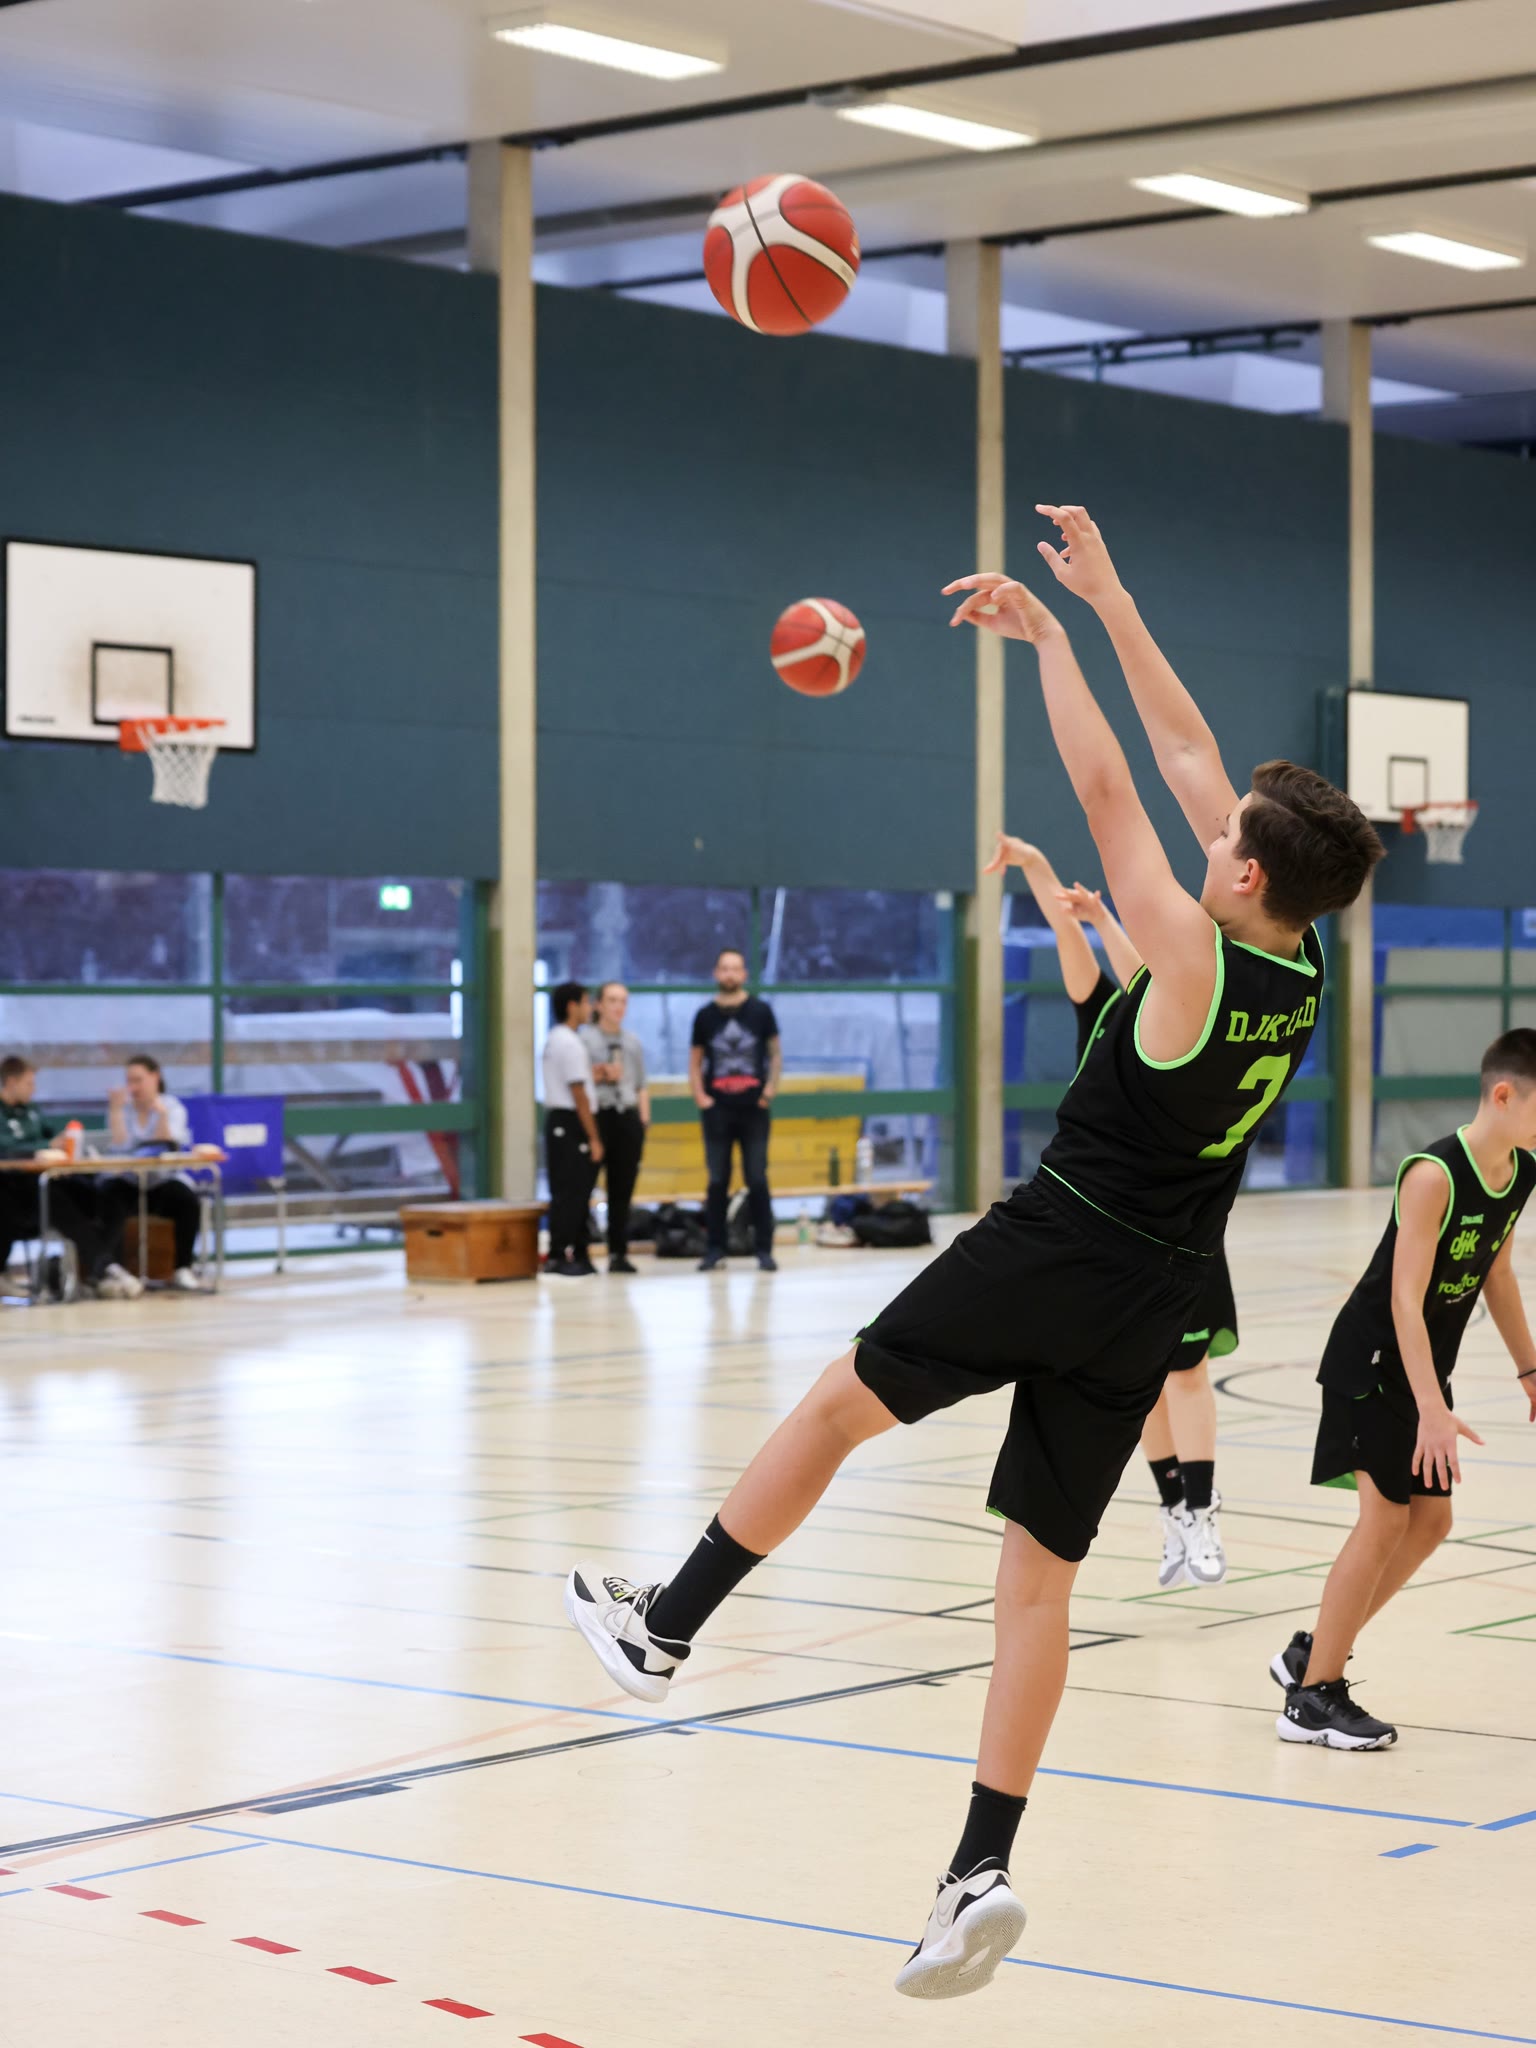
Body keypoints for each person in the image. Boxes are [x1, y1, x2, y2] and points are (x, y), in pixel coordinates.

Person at [566, 501, 1381, 2001]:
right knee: (1038, 1589)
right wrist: (1112, 601)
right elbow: (1187, 751)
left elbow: (1112, 783)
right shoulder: (1302, 958)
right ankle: (975, 1872)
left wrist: (1051, 638)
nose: (1208, 830)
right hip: (1151, 1292)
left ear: (1245, 879)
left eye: (1225, 841)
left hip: (1059, 1238)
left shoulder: (1190, 951)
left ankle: (663, 1629)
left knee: (834, 1407)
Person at [1271, 1029, 1536, 1751]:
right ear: (1503, 1094)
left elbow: (1498, 1273)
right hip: (1371, 1363)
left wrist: (1529, 1370)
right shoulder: (1432, 1175)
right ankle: (1312, 1699)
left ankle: (1314, 1651)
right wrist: (1431, 1407)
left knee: (1432, 1522)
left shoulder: (1520, 1172)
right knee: (1386, 1520)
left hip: (1422, 1372)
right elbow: (1403, 1299)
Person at [1006, 847, 1234, 1590]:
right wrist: (1035, 866)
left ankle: (1203, 1508)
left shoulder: (1177, 1009)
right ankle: (1174, 1511)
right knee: (1141, 1381)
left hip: (1179, 1223)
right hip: (1107, 1228)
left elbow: (1148, 969)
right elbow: (1065, 931)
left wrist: (1106, 917)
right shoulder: (1101, 1009)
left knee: (1187, 1372)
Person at [0, 1055, 139, 1299]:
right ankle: (105, 1268)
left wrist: (63, 1143)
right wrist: (45, 1147)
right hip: (13, 1190)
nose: (33, 1090)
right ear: (11, 1082)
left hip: (44, 1180)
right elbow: (7, 1148)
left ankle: (99, 1272)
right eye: (29, 1083)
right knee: (55, 1198)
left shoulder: (31, 1111)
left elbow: (52, 1136)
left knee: (107, 1194)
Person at [690, 948, 781, 1273]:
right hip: (717, 1110)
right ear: (717, 973)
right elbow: (696, 1060)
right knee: (717, 1181)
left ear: (744, 974)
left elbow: (775, 1054)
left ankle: (764, 1249)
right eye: (724, 968)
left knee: (757, 1178)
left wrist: (768, 1091)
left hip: (753, 1109)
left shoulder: (761, 1011)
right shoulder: (705, 1016)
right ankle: (715, 1249)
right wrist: (701, 1097)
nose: (729, 974)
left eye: (735, 968)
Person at [103, 1053, 207, 1293]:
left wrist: (161, 1116)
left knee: (187, 1200)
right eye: (129, 1081)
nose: (133, 1087)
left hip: (161, 1181)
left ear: (155, 1077)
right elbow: (119, 1146)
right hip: (129, 1181)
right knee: (108, 1195)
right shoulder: (122, 1108)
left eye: (138, 1080)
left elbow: (167, 1146)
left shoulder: (171, 1107)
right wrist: (116, 1112)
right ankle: (116, 1271)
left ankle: (182, 1267)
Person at [579, 982, 650, 1275]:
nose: (618, 1007)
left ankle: (618, 1252)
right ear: (598, 1004)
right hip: (598, 1114)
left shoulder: (631, 1041)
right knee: (584, 1185)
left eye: (623, 1001)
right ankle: (579, 1249)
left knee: (622, 1188)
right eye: (612, 1000)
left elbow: (641, 1085)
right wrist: (598, 1074)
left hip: (626, 1115)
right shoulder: (585, 1040)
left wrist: (643, 1121)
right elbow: (575, 1081)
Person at [543, 982, 603, 1278]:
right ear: (572, 1006)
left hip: (561, 1121)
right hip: (569, 1122)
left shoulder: (559, 1039)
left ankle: (577, 1251)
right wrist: (594, 1137)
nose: (590, 1008)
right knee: (571, 1192)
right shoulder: (568, 1042)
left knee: (575, 1190)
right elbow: (578, 1094)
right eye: (586, 1002)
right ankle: (559, 1253)